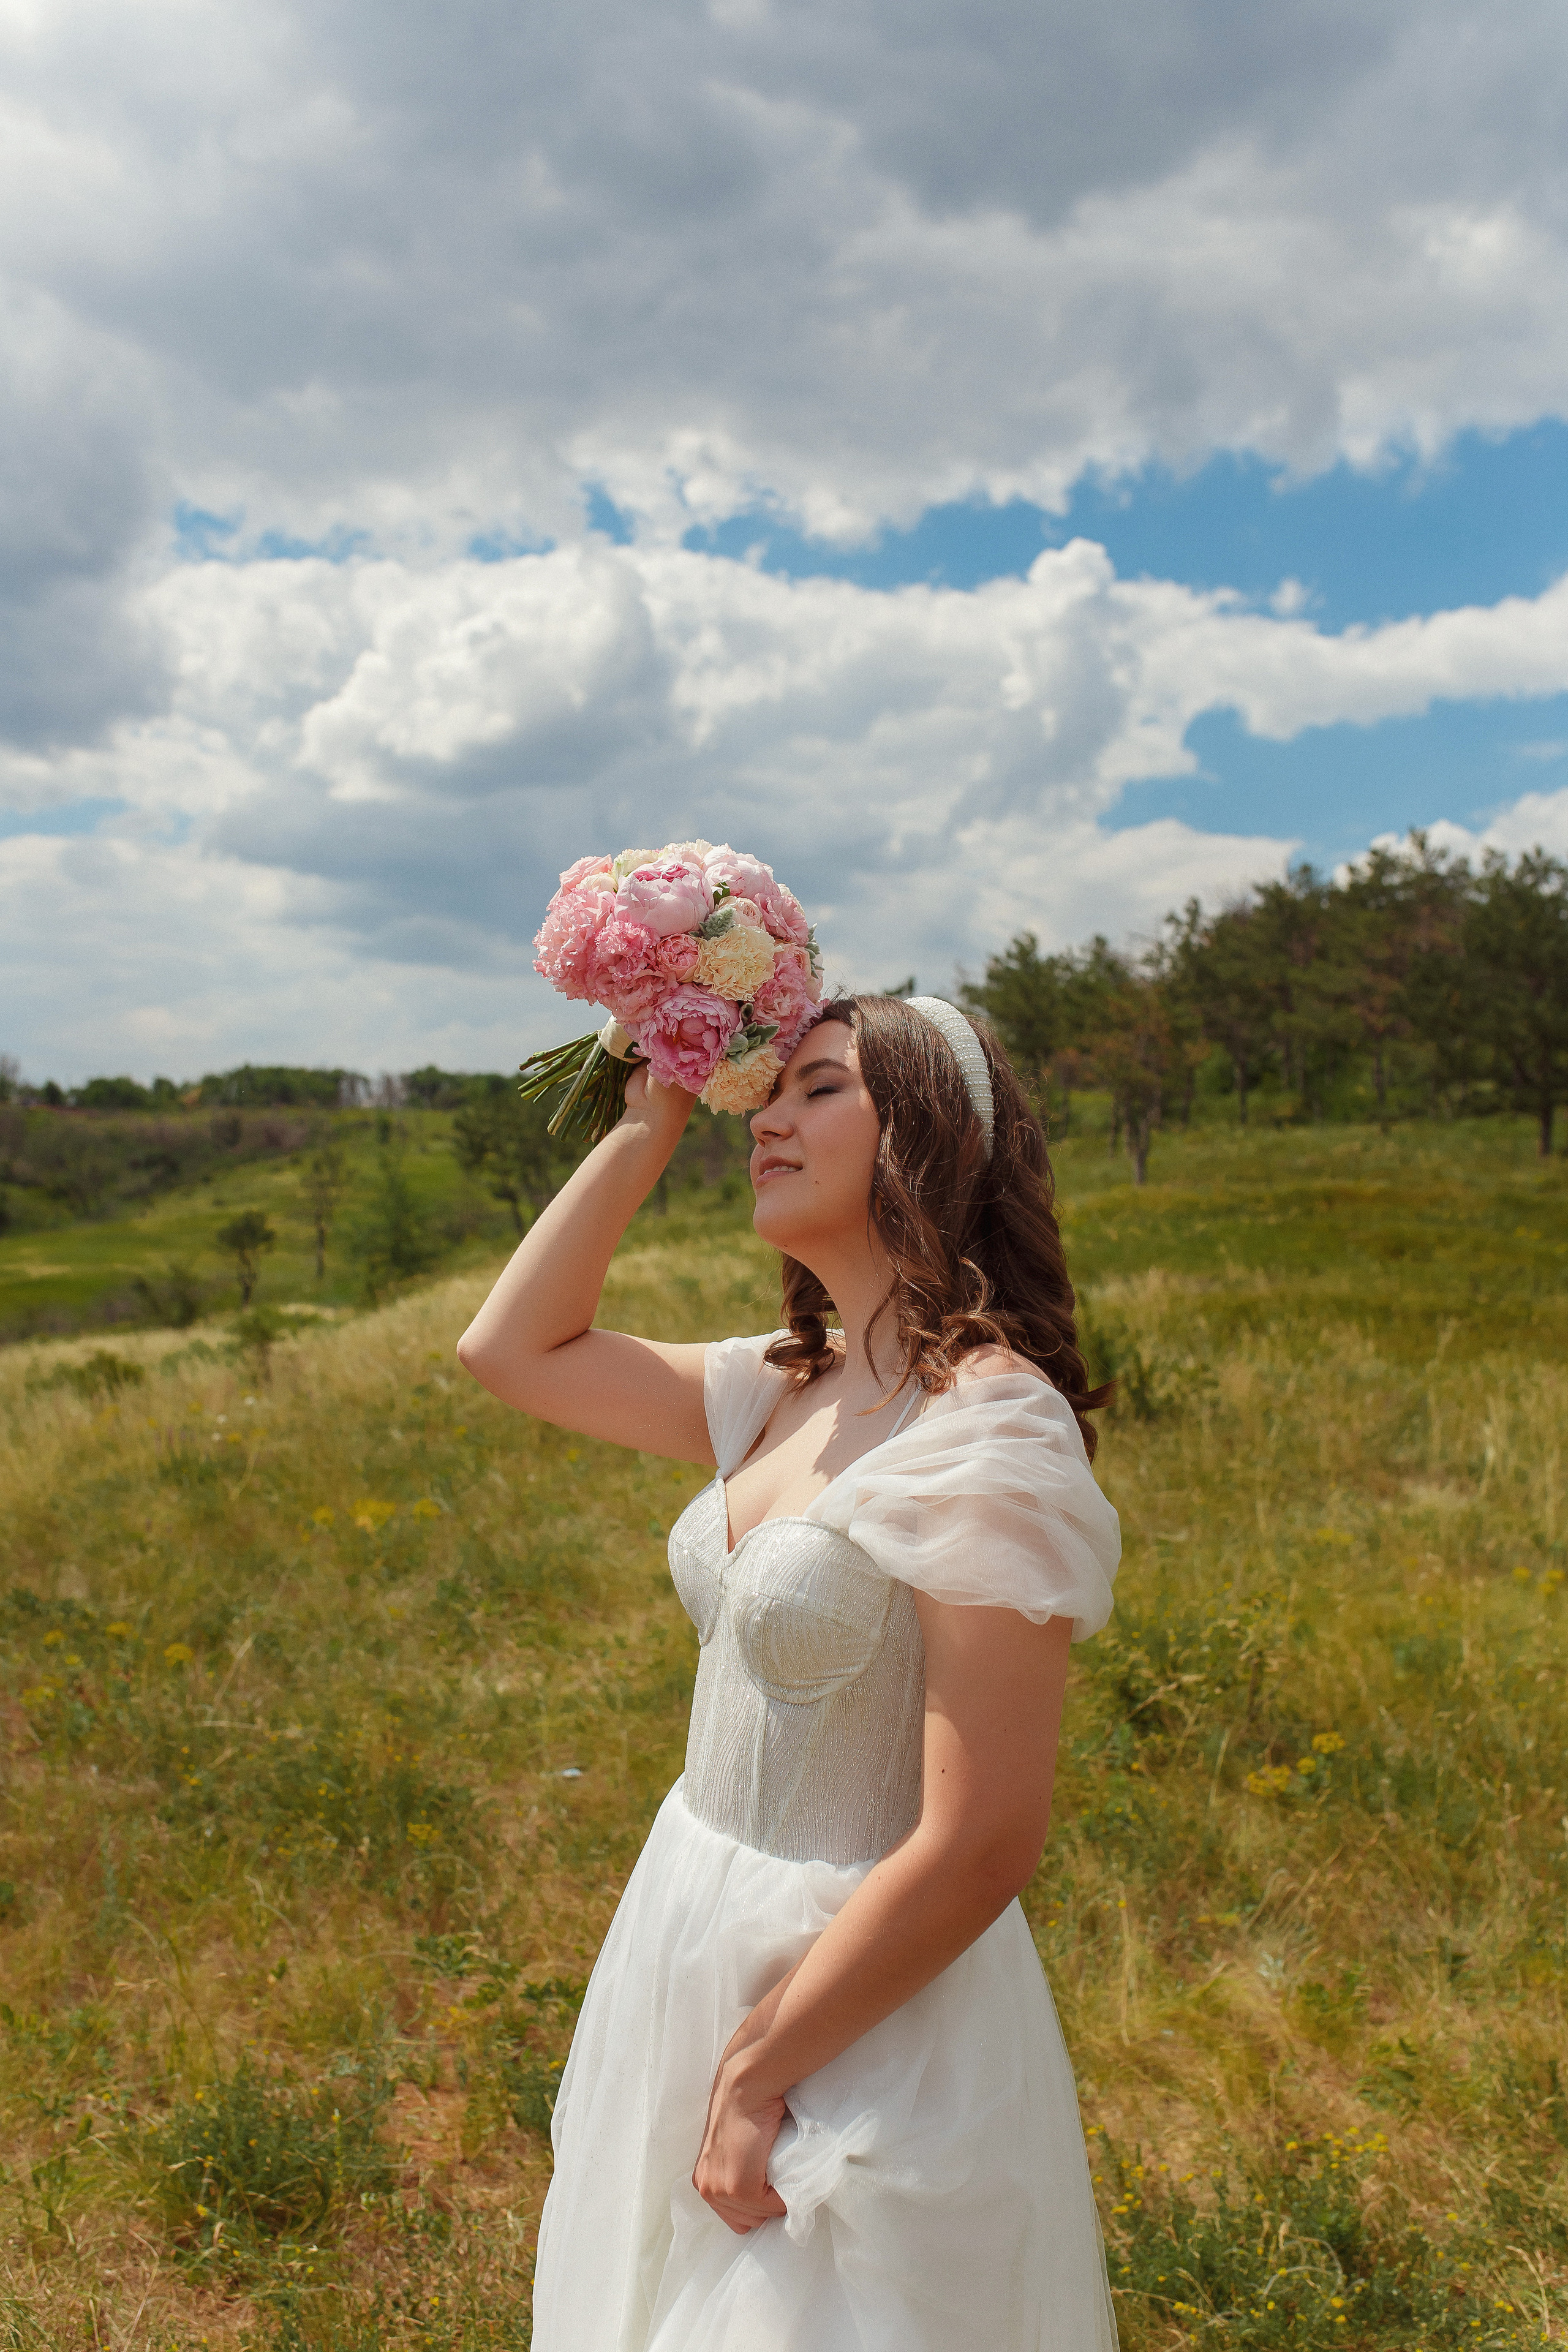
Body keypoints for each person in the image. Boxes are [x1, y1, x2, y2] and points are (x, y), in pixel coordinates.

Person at [456, 992, 1121, 2352]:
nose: (767, 1115)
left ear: (927, 1142)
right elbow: (508, 1351)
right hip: (690, 1920)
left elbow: (983, 1834)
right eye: (772, 1091)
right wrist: (644, 1125)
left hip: (860, 1992)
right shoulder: (780, 1383)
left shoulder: (990, 1431)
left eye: (820, 1088)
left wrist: (763, 2066)